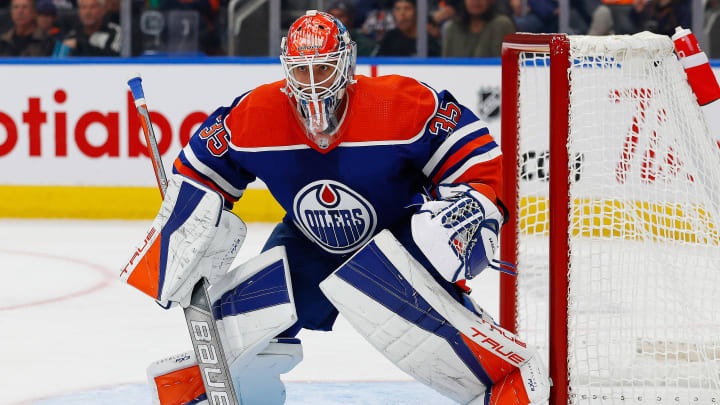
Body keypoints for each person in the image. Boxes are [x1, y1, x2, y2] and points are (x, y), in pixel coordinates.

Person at [123, 10, 550, 405]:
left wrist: (470, 211)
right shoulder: (254, 115)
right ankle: (239, 391)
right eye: (301, 70)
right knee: (250, 314)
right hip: (308, 241)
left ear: (346, 65)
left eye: (323, 67)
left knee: (410, 292)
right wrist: (182, 238)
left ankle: (495, 372)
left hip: (400, 239)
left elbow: (483, 165)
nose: (312, 82)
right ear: (285, 69)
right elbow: (196, 177)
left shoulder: (400, 104)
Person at [442, 0, 515, 57]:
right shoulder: (452, 28)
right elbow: (445, 67)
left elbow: (506, 66)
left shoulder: (502, 25)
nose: (475, 1)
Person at [376, 0, 441, 56]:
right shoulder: (390, 38)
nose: (402, 13)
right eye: (397, 9)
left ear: (417, 13)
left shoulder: (428, 42)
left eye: (407, 8)